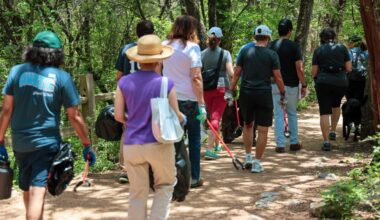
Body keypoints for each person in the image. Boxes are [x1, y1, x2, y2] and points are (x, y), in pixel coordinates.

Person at [0, 30, 96, 219]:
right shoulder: (62, 77)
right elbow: (75, 116)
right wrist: (86, 144)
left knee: (28, 189)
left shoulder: (16, 72)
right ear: (57, 53)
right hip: (46, 144)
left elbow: (6, 110)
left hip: (20, 143)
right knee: (38, 191)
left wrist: (0, 139)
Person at [114, 34, 185, 220]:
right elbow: (177, 115)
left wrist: (133, 119)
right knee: (165, 185)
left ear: (138, 59)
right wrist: (184, 117)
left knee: (137, 192)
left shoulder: (123, 83)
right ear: (159, 60)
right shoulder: (165, 83)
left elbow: (119, 116)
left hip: (132, 145)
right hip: (158, 144)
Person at [230, 25, 285, 173]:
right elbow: (278, 77)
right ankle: (257, 162)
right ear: (268, 38)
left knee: (248, 125)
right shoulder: (272, 55)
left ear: (255, 37)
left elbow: (236, 73)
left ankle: (248, 156)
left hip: (246, 93)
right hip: (263, 93)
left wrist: (232, 89)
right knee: (263, 130)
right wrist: (283, 92)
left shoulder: (245, 51)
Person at [161, 15, 206, 188]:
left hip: (168, 98)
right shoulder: (193, 48)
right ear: (190, 29)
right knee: (194, 139)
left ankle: (174, 177)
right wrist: (201, 104)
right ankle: (194, 177)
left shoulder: (164, 46)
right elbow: (196, 77)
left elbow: (158, 71)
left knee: (173, 140)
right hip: (189, 100)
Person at [114, 20, 154, 183]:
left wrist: (120, 95)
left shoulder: (126, 49)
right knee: (151, 129)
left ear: (137, 33)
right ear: (152, 33)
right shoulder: (154, 49)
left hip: (129, 93)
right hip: (149, 92)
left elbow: (119, 75)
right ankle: (147, 167)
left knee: (128, 129)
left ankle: (125, 168)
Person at [269, 18, 306, 153]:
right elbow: (299, 68)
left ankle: (280, 144)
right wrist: (304, 84)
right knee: (291, 113)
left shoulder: (271, 45)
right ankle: (294, 142)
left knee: (278, 114)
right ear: (290, 31)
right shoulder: (294, 46)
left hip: (275, 85)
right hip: (291, 85)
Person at [311, 27, 352, 151]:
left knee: (324, 111)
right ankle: (333, 131)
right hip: (340, 81)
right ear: (334, 37)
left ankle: (326, 141)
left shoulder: (318, 50)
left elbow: (314, 72)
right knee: (336, 105)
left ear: (321, 38)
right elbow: (349, 68)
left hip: (323, 81)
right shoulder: (343, 48)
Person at [201, 27, 234, 159]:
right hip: (221, 89)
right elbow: (231, 73)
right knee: (216, 118)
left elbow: (198, 72)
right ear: (220, 39)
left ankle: (217, 144)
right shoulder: (225, 53)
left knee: (214, 116)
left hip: (206, 89)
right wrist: (234, 87)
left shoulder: (202, 54)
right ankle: (209, 150)